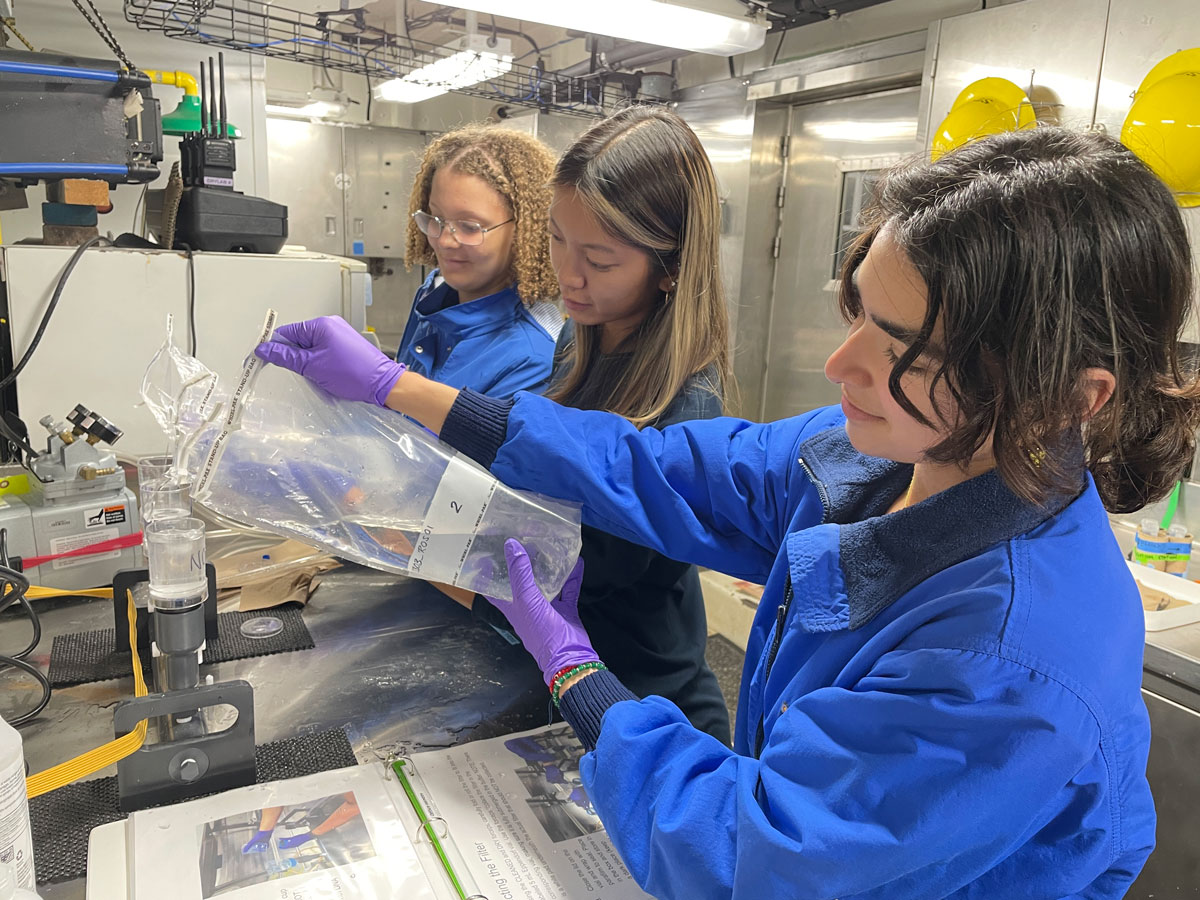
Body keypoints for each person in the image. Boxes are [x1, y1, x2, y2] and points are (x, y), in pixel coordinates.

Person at [255, 126, 1200, 897]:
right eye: (858, 312)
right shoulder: (880, 458)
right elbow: (658, 466)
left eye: (902, 346)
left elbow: (755, 854)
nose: (841, 368)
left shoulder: (1007, 663)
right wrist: (400, 389)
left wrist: (580, 675)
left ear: (1068, 395)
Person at [264, 107, 736, 744]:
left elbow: (559, 572)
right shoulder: (581, 339)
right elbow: (525, 459)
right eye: (559, 239)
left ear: (672, 264)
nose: (567, 275)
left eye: (598, 258)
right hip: (551, 690)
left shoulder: (686, 407)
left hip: (643, 708)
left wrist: (381, 513)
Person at [396, 124, 562, 398]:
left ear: (525, 230)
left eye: (470, 227)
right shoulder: (434, 293)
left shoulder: (533, 357)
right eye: (435, 220)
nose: (445, 242)